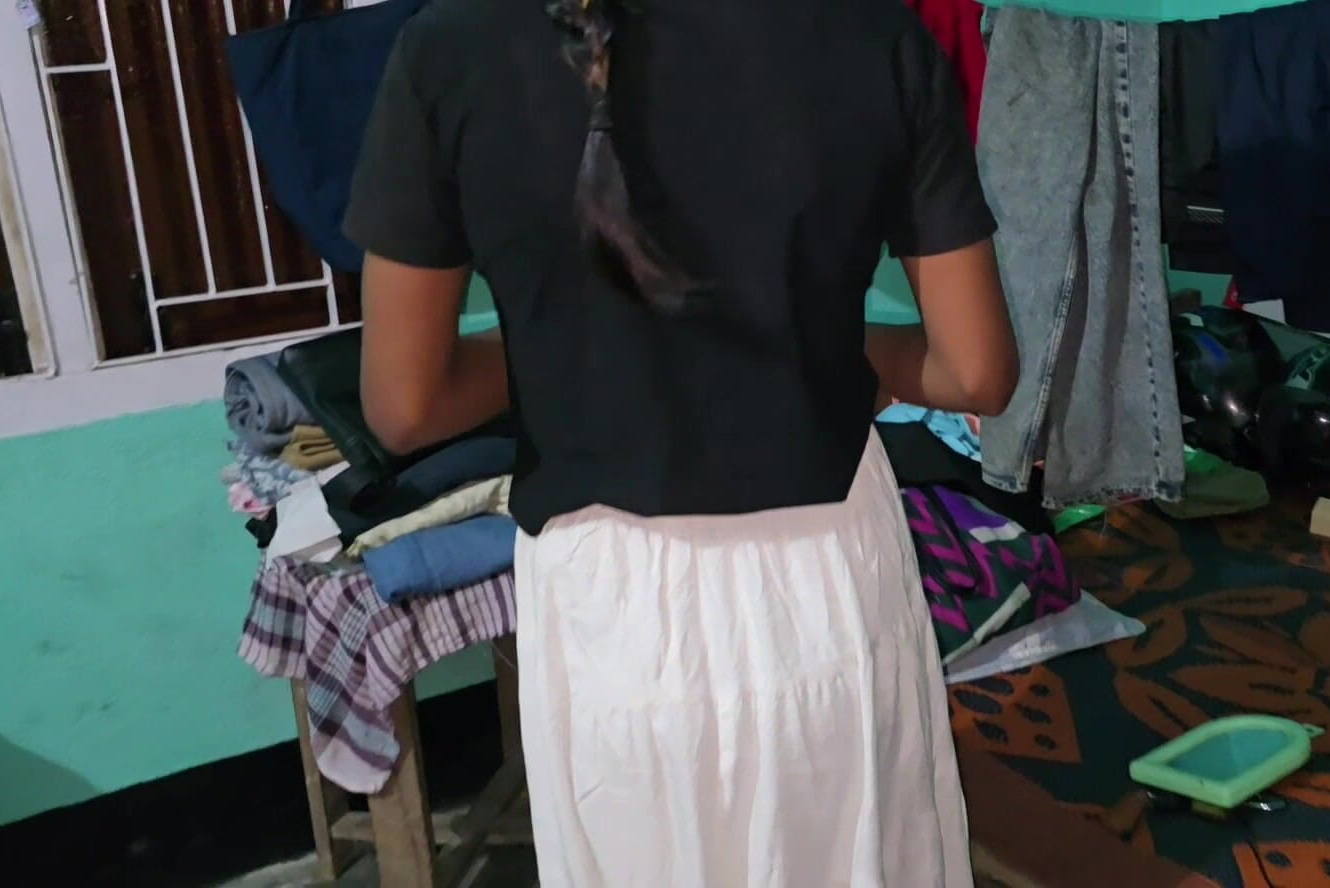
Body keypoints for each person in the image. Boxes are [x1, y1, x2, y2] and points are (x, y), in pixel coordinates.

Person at [343, 0, 1016, 884]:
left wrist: (580, 345)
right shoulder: (873, 33)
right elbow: (975, 372)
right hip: (829, 588)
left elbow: (404, 404)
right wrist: (833, 343)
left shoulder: (450, 47)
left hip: (611, 608)